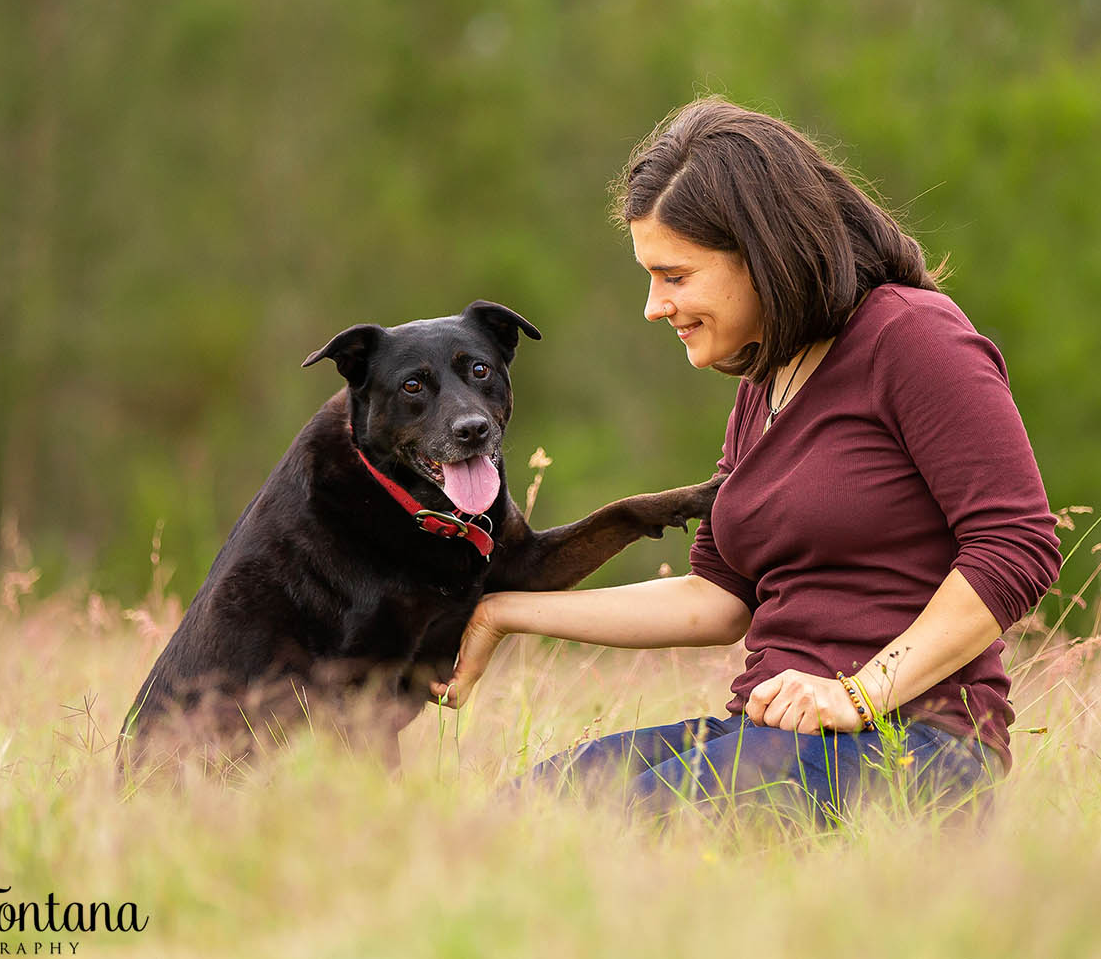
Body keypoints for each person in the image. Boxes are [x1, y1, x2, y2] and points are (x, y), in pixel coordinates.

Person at [431, 97, 1062, 824]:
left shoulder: (912, 337)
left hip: (918, 746)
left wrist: (857, 693)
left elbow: (1017, 545)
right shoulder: (769, 381)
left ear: (761, 254)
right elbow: (717, 599)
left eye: (675, 276)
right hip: (770, 735)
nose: (653, 306)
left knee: (624, 832)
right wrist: (506, 611)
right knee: (514, 823)